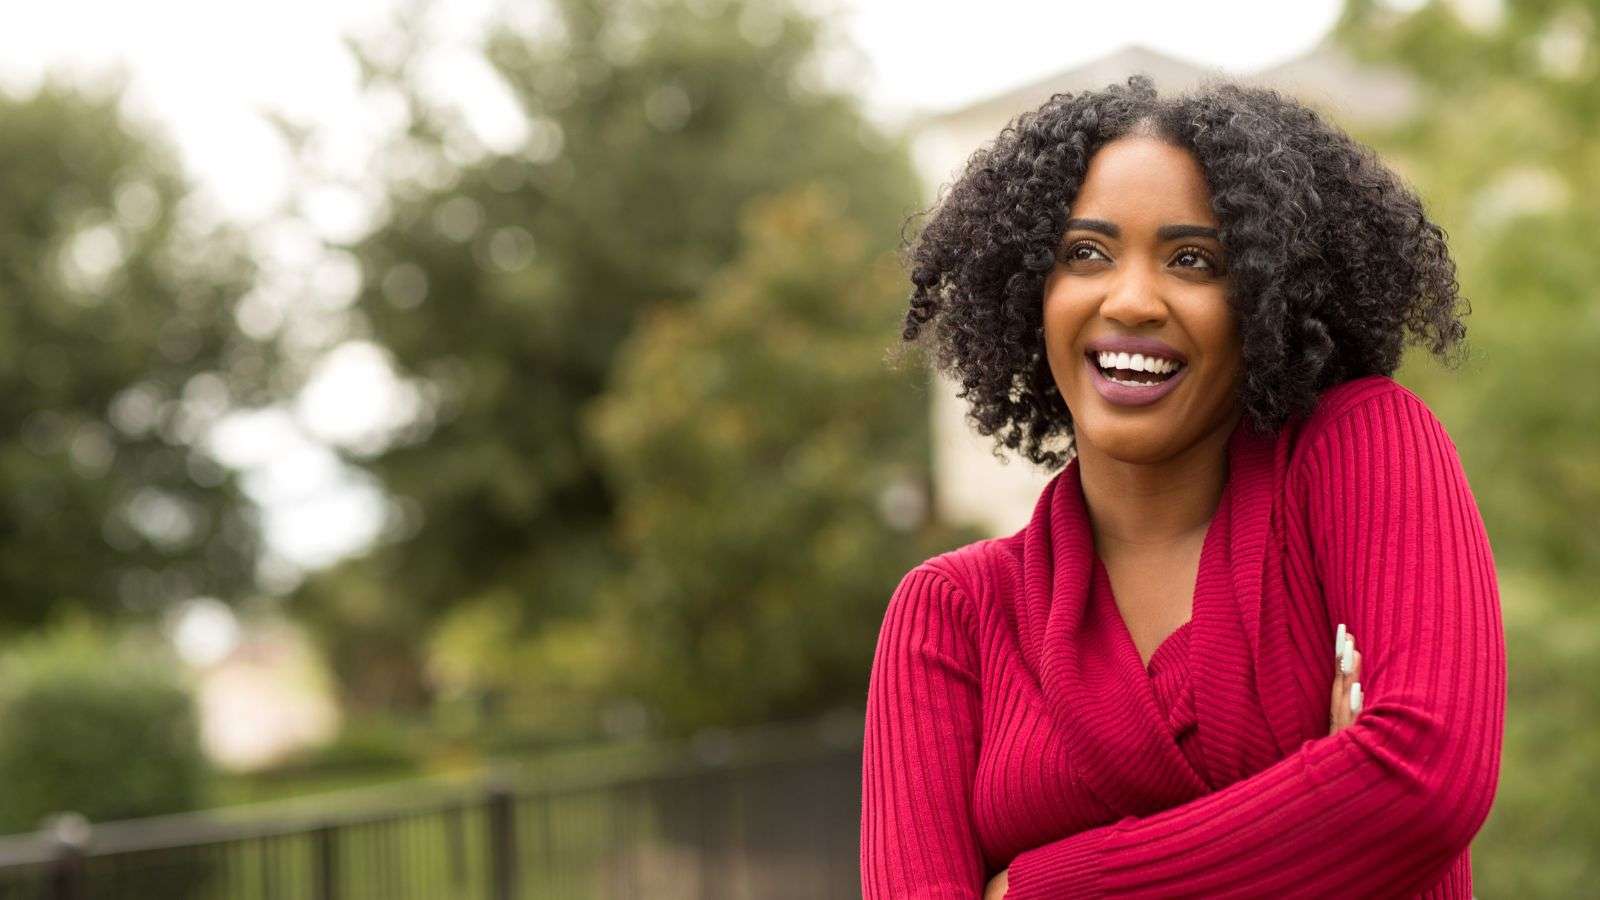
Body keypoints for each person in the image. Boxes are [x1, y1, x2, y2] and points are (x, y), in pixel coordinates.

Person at [860, 75, 1504, 899]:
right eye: (1084, 253)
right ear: (1029, 295)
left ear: (1271, 297)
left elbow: (1421, 787)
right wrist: (1326, 814)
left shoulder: (1363, 453)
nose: (1130, 300)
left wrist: (1045, 886)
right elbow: (1374, 812)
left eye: (1193, 260)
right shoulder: (951, 616)